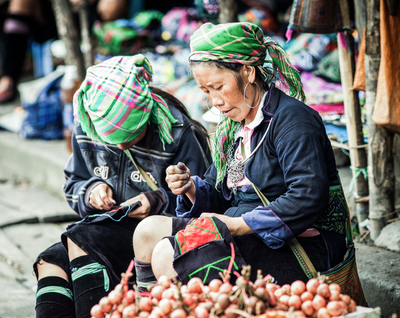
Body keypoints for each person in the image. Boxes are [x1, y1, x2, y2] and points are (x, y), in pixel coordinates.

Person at [133, 22, 349, 286]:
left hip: (302, 246)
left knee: (170, 254)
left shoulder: (294, 121)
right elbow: (218, 199)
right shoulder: (231, 129)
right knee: (146, 232)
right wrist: (190, 188)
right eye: (206, 91)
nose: (215, 100)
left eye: (219, 87)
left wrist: (236, 225)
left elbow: (307, 197)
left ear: (247, 72)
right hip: (248, 231)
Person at [34, 54, 212, 318]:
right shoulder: (87, 126)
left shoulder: (179, 134)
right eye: (111, 139)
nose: (119, 146)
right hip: (107, 228)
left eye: (129, 136)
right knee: (49, 261)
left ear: (145, 116)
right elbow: (74, 183)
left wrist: (158, 199)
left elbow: (206, 197)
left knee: (80, 239)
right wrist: (90, 191)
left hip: (160, 235)